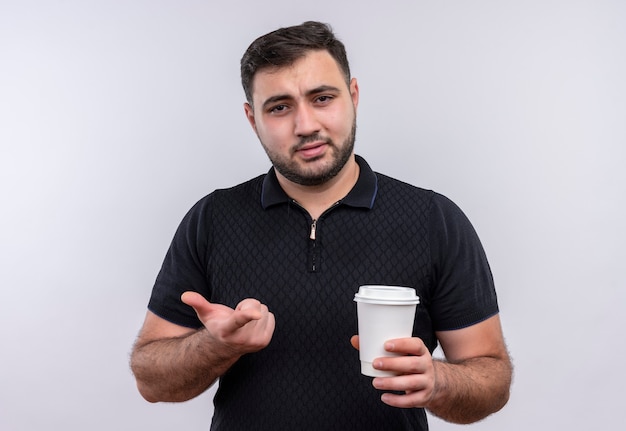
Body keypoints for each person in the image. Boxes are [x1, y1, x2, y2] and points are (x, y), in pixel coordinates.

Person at [130, 21, 512, 430]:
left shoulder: (434, 219)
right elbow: (152, 380)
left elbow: (491, 378)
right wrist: (216, 345)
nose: (306, 125)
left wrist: (438, 381)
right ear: (252, 119)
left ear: (353, 96)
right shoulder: (212, 219)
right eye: (279, 107)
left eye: (322, 98)